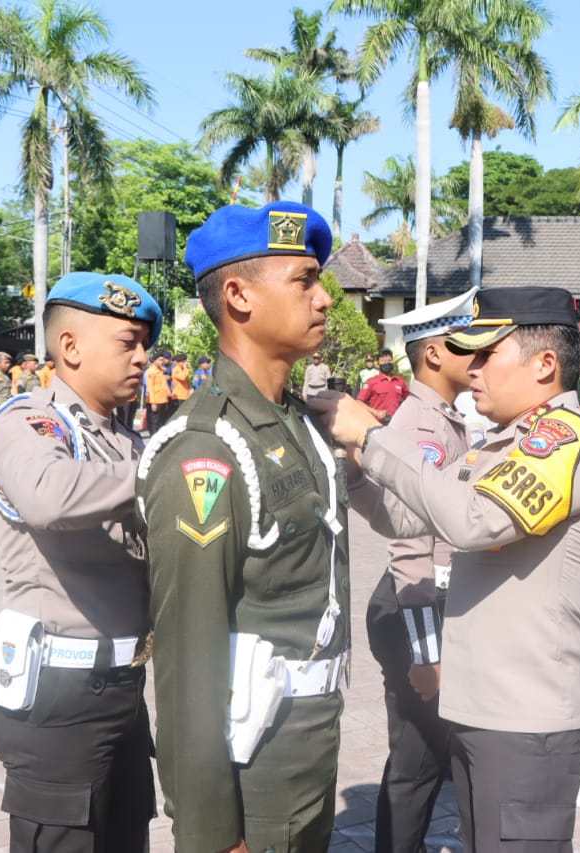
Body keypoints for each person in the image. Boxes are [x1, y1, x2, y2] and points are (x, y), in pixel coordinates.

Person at [314, 286, 580, 852]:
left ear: (545, 363)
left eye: (486, 356)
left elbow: (471, 522)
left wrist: (375, 437)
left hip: (529, 716)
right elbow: (409, 520)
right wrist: (353, 468)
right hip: (488, 707)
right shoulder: (504, 443)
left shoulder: (561, 442)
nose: (472, 371)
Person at [140, 201, 349, 851]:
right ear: (238, 296)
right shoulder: (209, 448)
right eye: (304, 281)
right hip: (251, 780)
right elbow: (187, 653)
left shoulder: (294, 423)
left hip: (303, 753)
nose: (324, 300)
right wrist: (208, 831)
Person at [0, 271, 161, 852]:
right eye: (127, 343)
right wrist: (163, 468)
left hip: (121, 685)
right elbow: (48, 498)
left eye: (144, 344)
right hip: (59, 691)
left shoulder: (125, 442)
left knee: (126, 836)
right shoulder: (31, 422)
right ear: (70, 347)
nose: (142, 358)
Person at [368, 287, 477, 852]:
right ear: (433, 354)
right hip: (416, 602)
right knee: (417, 763)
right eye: (467, 345)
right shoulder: (422, 427)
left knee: (428, 759)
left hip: (429, 599)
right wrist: (427, 651)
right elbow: (408, 542)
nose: (479, 356)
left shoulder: (444, 418)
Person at [358, 348, 410, 421]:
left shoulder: (400, 382)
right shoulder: (371, 382)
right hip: (376, 424)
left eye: (389, 360)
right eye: (383, 361)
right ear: (378, 363)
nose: (386, 363)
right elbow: (359, 402)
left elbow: (409, 400)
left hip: (396, 424)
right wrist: (376, 413)